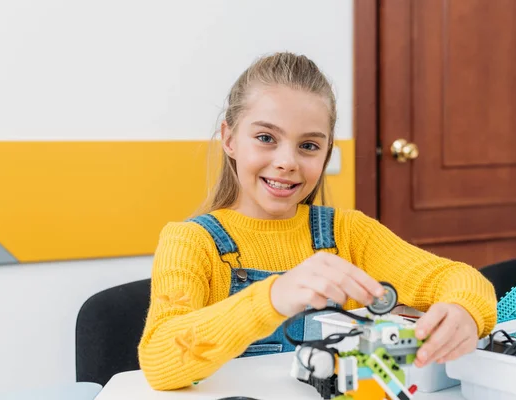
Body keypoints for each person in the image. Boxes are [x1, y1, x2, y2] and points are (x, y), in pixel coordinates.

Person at [138, 52, 497, 391]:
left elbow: (458, 278)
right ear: (229, 139)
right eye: (266, 138)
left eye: (308, 145)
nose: (286, 162)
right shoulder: (190, 242)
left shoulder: (349, 233)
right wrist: (273, 298)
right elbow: (158, 359)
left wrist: (464, 311)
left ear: (326, 153)